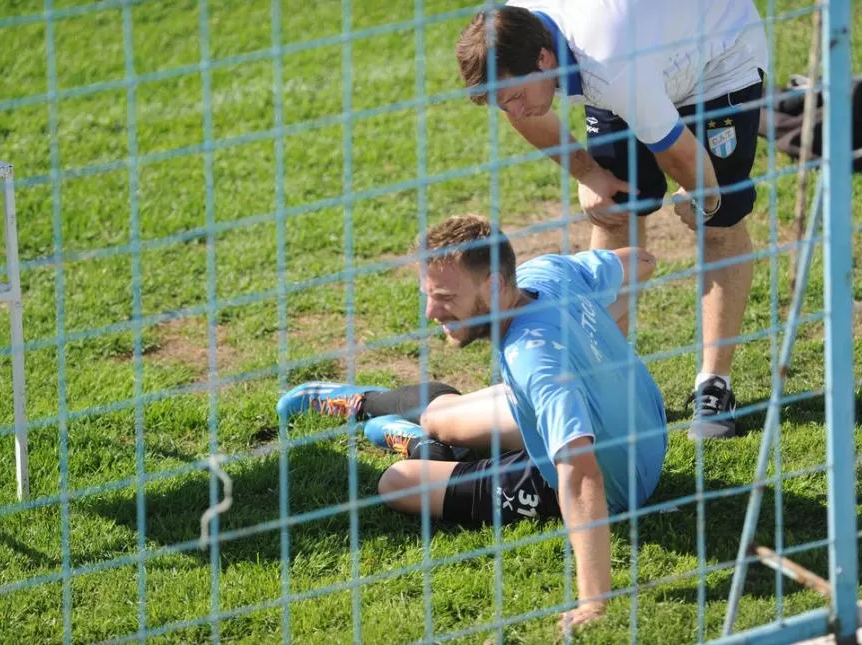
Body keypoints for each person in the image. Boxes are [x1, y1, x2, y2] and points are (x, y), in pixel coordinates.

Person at [277, 214, 668, 632]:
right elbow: (641, 261)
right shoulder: (546, 274)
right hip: (641, 427)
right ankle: (364, 404)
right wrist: (600, 353)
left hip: (619, 483)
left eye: (445, 296)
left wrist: (593, 603)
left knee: (397, 482)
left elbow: (581, 476)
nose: (430, 311)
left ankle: (426, 453)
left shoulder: (535, 361)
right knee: (441, 417)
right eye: (428, 294)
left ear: (495, 286)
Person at [454, 0, 770, 439]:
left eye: (516, 95)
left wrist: (706, 198)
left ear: (545, 59)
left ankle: (714, 387)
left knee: (718, 223)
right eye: (502, 102)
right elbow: (524, 115)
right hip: (638, 57)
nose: (515, 109)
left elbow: (678, 154)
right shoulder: (514, 32)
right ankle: (601, 376)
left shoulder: (610, 70)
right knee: (613, 210)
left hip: (717, 60)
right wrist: (588, 173)